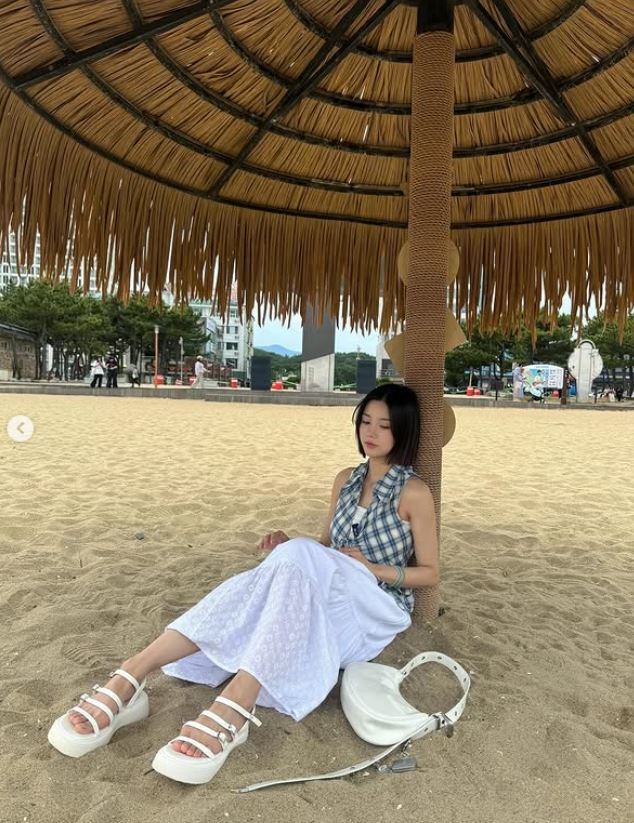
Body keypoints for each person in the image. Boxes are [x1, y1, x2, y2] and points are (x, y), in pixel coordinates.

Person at [47, 384, 439, 785]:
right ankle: (134, 672)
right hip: (330, 591)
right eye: (365, 421)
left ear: (403, 430)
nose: (370, 432)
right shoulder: (346, 480)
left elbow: (430, 572)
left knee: (285, 568)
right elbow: (325, 547)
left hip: (373, 608)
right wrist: (290, 546)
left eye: (384, 426)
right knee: (275, 571)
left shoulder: (414, 493)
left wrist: (374, 569)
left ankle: (231, 699)